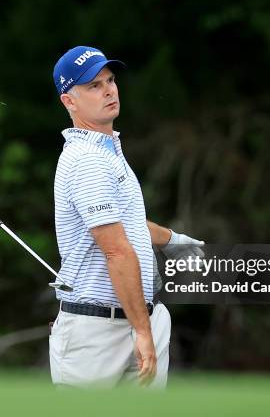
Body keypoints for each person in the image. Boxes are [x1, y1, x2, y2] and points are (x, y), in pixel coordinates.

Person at [50, 46, 204, 388]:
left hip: (134, 319)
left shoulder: (107, 149)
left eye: (111, 79)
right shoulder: (88, 160)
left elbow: (126, 223)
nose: (109, 90)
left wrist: (172, 239)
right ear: (69, 102)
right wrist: (142, 331)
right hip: (99, 334)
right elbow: (116, 249)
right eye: (93, 85)